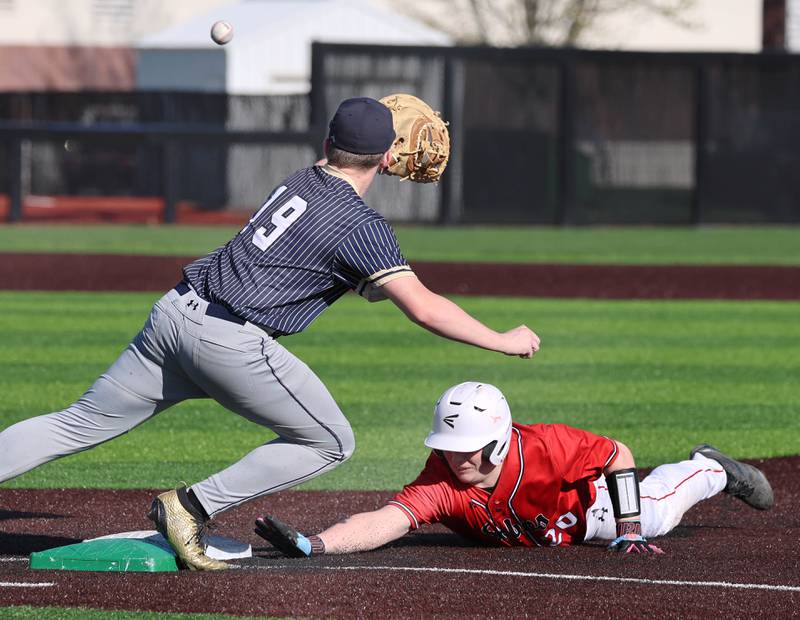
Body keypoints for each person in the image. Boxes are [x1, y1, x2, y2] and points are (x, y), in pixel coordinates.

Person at [0, 99, 541, 571]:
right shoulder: (364, 227)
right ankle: (190, 506)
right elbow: (423, 308)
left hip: (173, 314)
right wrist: (502, 338)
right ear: (385, 159)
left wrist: (369, 141)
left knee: (75, 424)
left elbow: (318, 257)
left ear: (328, 141)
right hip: (228, 344)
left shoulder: (299, 180)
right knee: (330, 442)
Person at [255, 381, 774, 557]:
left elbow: (619, 454)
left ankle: (710, 469)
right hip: (543, 532)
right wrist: (314, 544)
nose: (456, 457)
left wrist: (630, 530)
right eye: (449, 445)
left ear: (499, 443)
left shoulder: (546, 446)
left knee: (658, 511)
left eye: (469, 447)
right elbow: (384, 519)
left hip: (586, 512)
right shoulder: (442, 479)